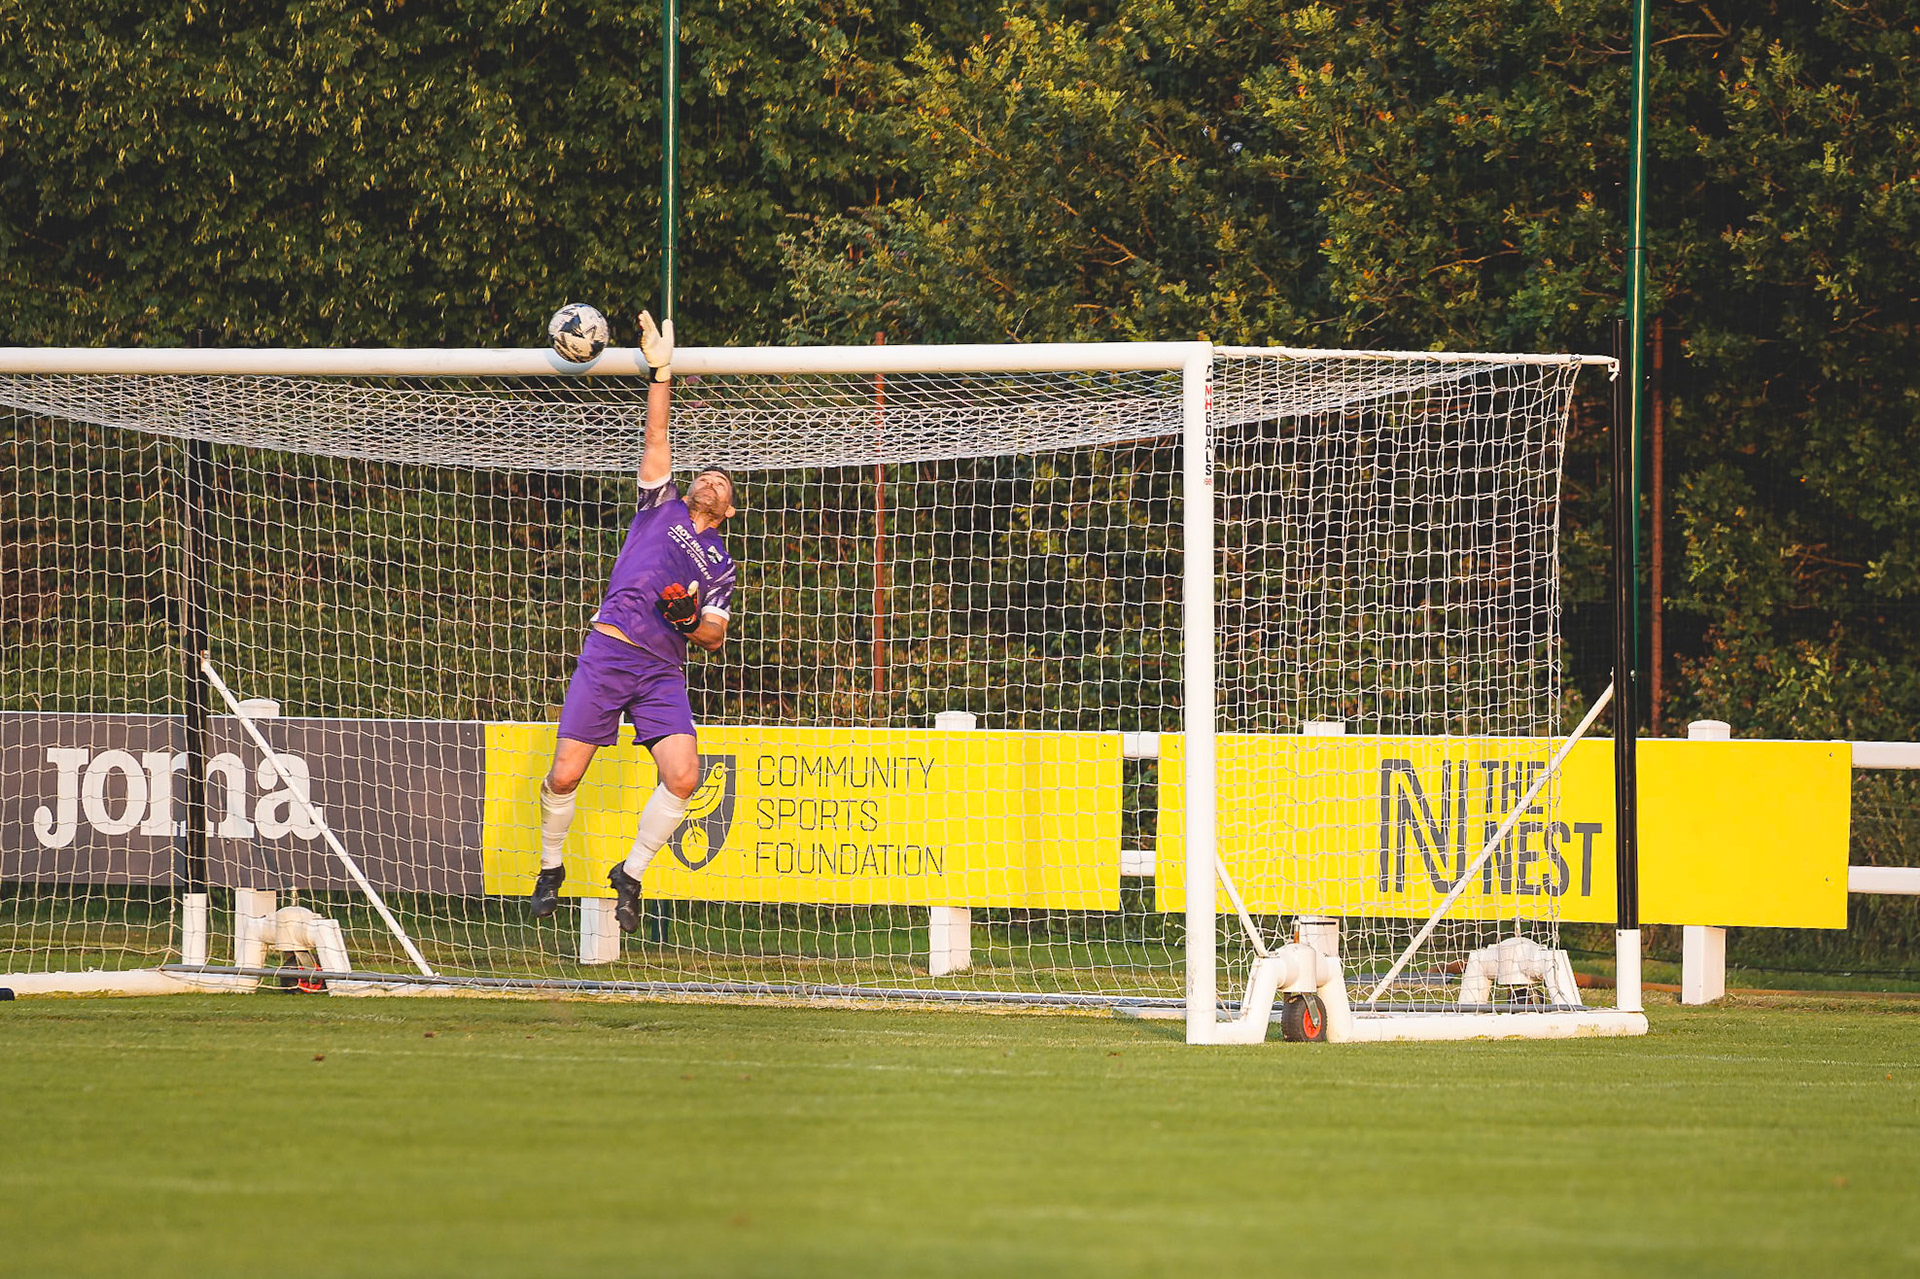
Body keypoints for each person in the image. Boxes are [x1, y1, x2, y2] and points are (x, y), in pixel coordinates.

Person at [527, 311, 737, 932]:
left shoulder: (722, 564)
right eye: (704, 475)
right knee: (565, 774)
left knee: (685, 777)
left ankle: (632, 873)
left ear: (729, 509)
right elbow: (656, 437)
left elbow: (714, 636)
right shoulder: (658, 506)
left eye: (721, 483)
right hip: (610, 652)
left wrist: (689, 619)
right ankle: (550, 867)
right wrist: (660, 372)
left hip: (661, 671)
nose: (709, 481)